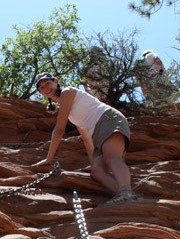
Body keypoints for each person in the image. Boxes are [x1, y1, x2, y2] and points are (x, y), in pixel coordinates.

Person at [32, 72, 140, 203]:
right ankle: (126, 195)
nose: (46, 88)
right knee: (97, 172)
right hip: (97, 133)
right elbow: (86, 137)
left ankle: (126, 192)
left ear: (55, 82)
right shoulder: (69, 109)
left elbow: (59, 129)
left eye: (47, 83)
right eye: (41, 87)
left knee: (112, 157)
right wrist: (93, 161)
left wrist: (49, 159)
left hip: (108, 120)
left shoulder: (67, 92)